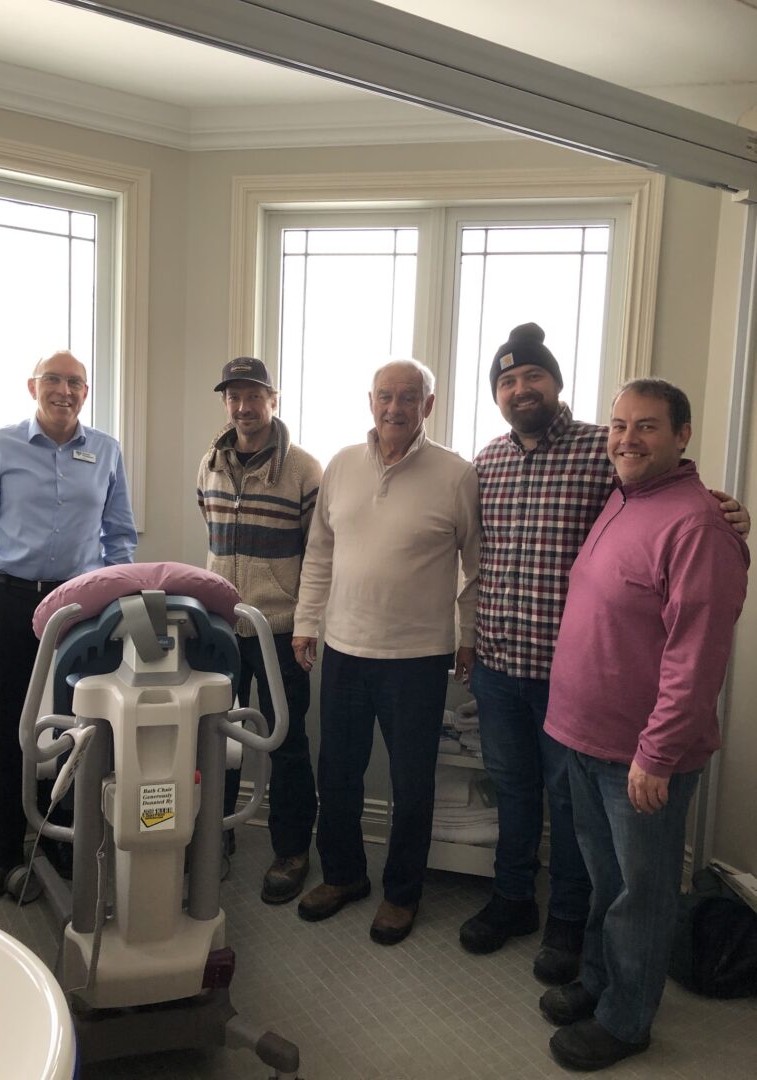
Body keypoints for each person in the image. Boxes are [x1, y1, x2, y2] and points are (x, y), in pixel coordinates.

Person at [458, 323, 749, 985]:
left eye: (533, 376)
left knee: (571, 811)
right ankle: (511, 898)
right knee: (511, 792)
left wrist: (730, 514)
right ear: (496, 396)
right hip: (499, 665)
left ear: (556, 384)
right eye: (507, 381)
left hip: (569, 678)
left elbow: (671, 504)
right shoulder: (487, 462)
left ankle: (567, 920)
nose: (520, 389)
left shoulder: (604, 450)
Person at [540, 378, 748, 1071]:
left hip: (640, 757)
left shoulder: (698, 526)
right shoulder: (623, 498)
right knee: (608, 882)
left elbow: (697, 657)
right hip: (585, 739)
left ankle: (626, 1021)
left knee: (645, 894)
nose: (627, 438)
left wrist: (656, 754)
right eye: (619, 424)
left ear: (682, 435)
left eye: (647, 426)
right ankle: (602, 985)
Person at [292, 359, 480, 945]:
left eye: (408, 397)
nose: (394, 408)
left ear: (429, 405)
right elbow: (320, 552)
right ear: (370, 401)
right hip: (344, 648)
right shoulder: (341, 465)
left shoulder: (456, 475)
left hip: (418, 658)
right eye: (385, 396)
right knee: (337, 772)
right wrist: (306, 622)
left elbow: (475, 567)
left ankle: (402, 893)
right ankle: (343, 875)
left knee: (411, 782)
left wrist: (467, 635)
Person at [0, 350, 137, 901]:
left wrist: (117, 604)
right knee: (12, 727)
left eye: (75, 382)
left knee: (74, 727)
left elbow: (119, 537)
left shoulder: (106, 450)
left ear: (86, 392)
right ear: (32, 387)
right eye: (53, 380)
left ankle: (59, 840)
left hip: (79, 610)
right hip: (10, 604)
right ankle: (4, 854)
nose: (65, 390)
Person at [196, 356, 321, 904]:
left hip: (279, 632)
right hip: (221, 629)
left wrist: (306, 624)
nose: (243, 407)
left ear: (273, 400)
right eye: (234, 396)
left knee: (287, 743)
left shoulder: (305, 470)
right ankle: (213, 838)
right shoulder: (209, 464)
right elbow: (211, 528)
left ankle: (292, 850)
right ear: (226, 402)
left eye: (254, 396)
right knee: (215, 738)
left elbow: (318, 555)